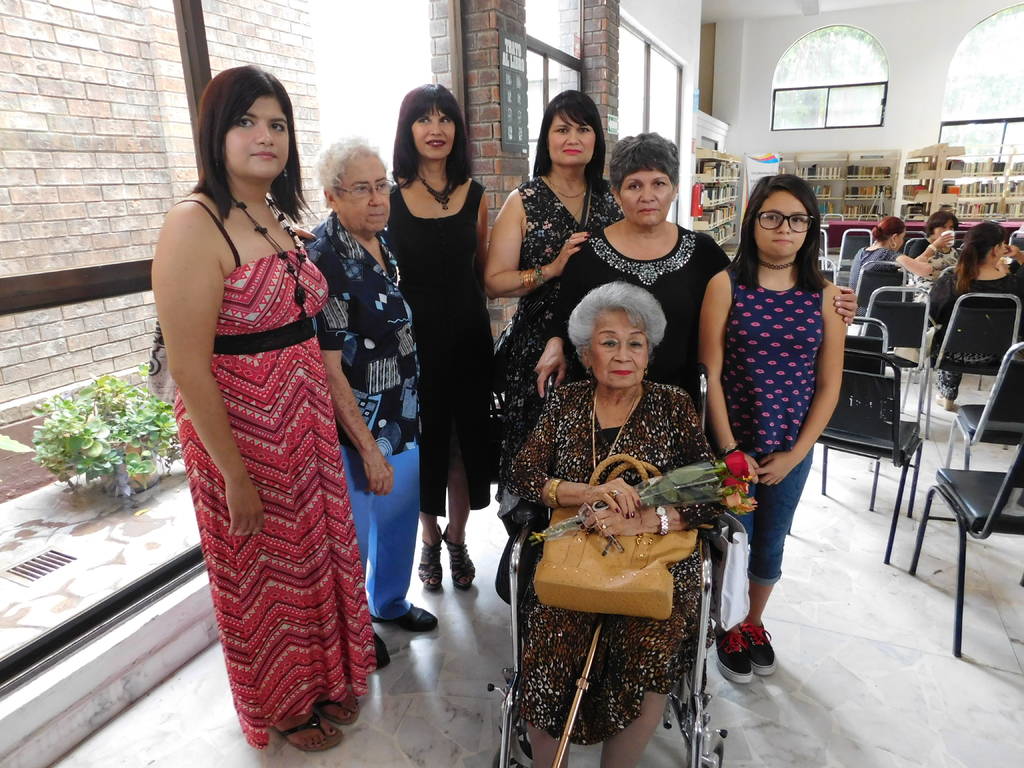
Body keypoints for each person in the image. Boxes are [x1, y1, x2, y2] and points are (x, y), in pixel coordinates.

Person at [151, 66, 373, 752]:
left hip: (304, 426)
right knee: (265, 579)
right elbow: (187, 368)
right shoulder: (192, 225)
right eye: (246, 121)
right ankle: (281, 703)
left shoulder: (271, 215)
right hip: (242, 437)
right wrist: (234, 476)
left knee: (314, 559)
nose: (265, 136)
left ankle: (325, 679)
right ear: (216, 133)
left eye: (277, 124)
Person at [508, 281, 721, 768]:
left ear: (649, 353)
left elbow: (711, 492)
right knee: (550, 645)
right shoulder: (566, 403)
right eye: (609, 342)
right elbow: (523, 473)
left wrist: (650, 518)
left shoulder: (673, 405)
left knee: (647, 650)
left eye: (635, 343)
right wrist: (587, 493)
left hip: (655, 563)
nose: (623, 355)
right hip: (572, 556)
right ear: (587, 354)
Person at [535, 135, 858, 404]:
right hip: (604, 402)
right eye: (634, 186)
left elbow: (752, 292)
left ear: (675, 190)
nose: (648, 196)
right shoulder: (588, 254)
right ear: (617, 194)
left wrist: (832, 301)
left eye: (659, 183)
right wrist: (554, 342)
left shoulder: (703, 252)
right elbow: (564, 315)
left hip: (684, 404)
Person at [699, 174, 845, 684]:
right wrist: (729, 450)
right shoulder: (725, 285)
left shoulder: (826, 296)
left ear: (811, 228)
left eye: (798, 219)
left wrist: (798, 453)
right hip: (733, 445)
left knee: (771, 542)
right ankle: (726, 625)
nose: (785, 228)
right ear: (753, 221)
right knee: (732, 540)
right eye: (773, 216)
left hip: (790, 447)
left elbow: (829, 385)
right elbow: (711, 373)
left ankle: (752, 624)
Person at [308, 139, 437, 645]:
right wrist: (367, 449)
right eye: (361, 189)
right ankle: (356, 630)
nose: (378, 198)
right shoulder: (325, 260)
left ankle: (389, 603)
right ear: (331, 196)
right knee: (356, 536)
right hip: (356, 429)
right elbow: (329, 370)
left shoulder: (381, 241)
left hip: (401, 412)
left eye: (382, 185)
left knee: (400, 519)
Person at [486, 90, 622, 517]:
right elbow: (494, 281)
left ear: (597, 138)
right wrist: (551, 268)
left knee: (598, 452)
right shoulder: (523, 201)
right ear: (546, 138)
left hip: (603, 344)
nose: (573, 138)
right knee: (536, 454)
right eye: (562, 129)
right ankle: (530, 542)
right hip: (538, 350)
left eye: (583, 129)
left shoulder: (613, 198)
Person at [387, 84, 492, 591]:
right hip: (415, 343)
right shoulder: (389, 199)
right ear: (408, 130)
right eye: (424, 119)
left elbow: (483, 272)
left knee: (462, 445)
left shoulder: (477, 195)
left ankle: (457, 538)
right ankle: (428, 539)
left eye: (445, 118)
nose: (436, 129)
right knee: (423, 445)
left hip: (469, 338)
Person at [928, 220, 1024, 411]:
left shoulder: (950, 282)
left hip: (952, 356)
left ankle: (947, 396)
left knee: (948, 333)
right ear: (996, 250)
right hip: (1002, 356)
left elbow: (931, 318)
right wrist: (1018, 260)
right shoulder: (1015, 286)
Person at [896, 211, 959, 289]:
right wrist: (934, 246)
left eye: (951, 227)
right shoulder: (921, 244)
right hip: (925, 288)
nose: (948, 231)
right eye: (943, 227)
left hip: (949, 288)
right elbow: (911, 269)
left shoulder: (953, 250)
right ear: (933, 229)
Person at [847, 215, 906, 291]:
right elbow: (919, 269)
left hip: (855, 296)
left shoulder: (861, 251)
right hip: (876, 298)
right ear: (894, 237)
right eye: (902, 237)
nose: (902, 241)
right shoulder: (887, 254)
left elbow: (910, 264)